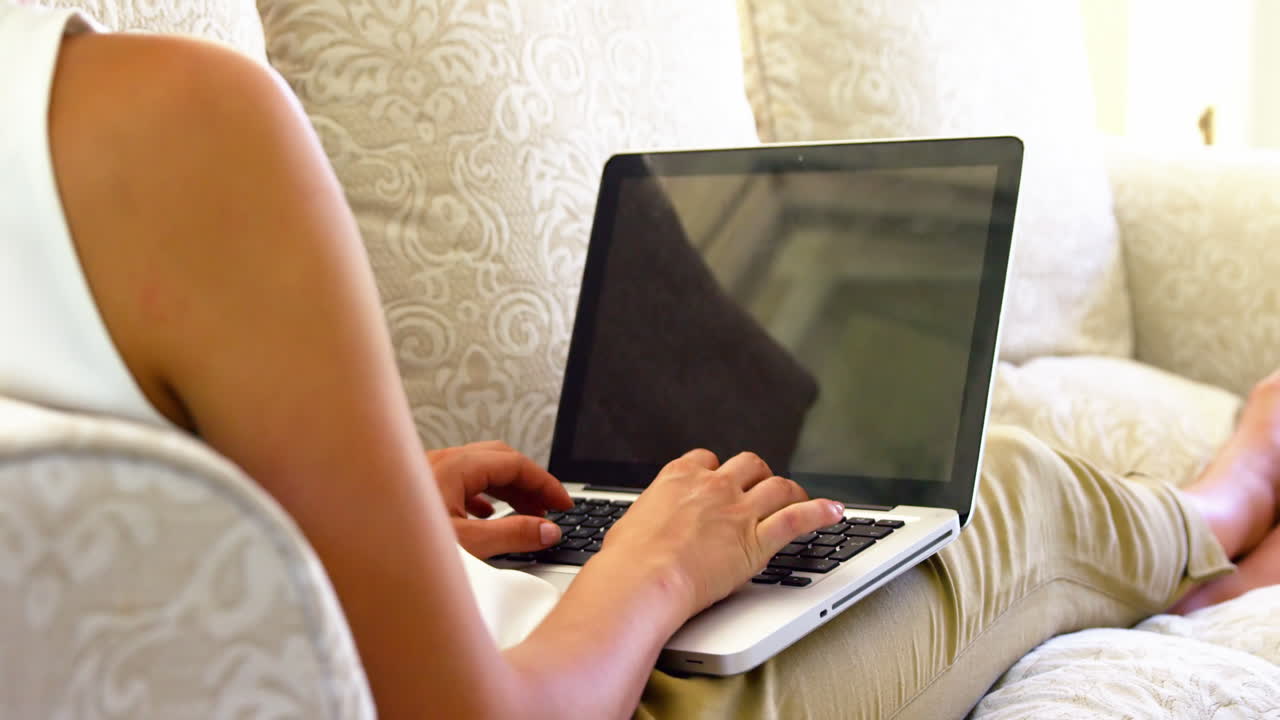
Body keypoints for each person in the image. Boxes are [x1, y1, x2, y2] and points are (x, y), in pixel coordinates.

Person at [2, 5, 1277, 718]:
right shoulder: (169, 125)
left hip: (445, 629)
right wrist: (655, 567)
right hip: (606, 695)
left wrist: (346, 507)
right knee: (992, 491)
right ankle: (1223, 503)